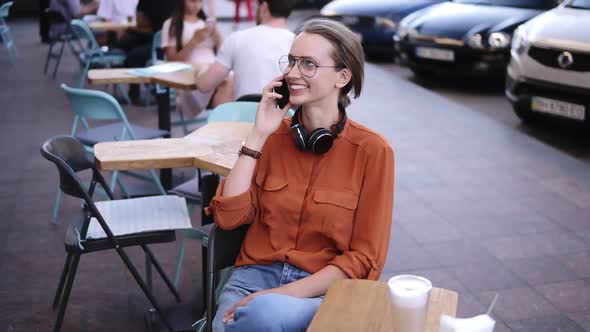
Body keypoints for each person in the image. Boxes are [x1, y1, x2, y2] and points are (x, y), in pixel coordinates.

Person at [206, 18, 395, 332]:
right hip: (251, 282)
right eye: (292, 61)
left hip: (321, 292)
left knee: (260, 317)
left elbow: (365, 258)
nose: (293, 73)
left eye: (308, 64)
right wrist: (257, 135)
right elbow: (228, 218)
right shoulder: (271, 136)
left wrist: (280, 296)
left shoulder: (373, 151)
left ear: (343, 77)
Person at [195, 0, 295, 101]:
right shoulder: (296, 43)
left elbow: (204, 85)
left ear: (264, 7)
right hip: (282, 115)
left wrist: (201, 71)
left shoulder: (237, 39)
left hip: (243, 114)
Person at [161, 0, 230, 117]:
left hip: (212, 70)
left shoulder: (205, 23)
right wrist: (194, 41)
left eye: (199, 1)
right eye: (192, 1)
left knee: (232, 77)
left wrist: (218, 38)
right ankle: (222, 123)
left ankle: (221, 123)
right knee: (228, 79)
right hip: (190, 74)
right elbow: (172, 60)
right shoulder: (172, 24)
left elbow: (222, 54)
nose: (196, 5)